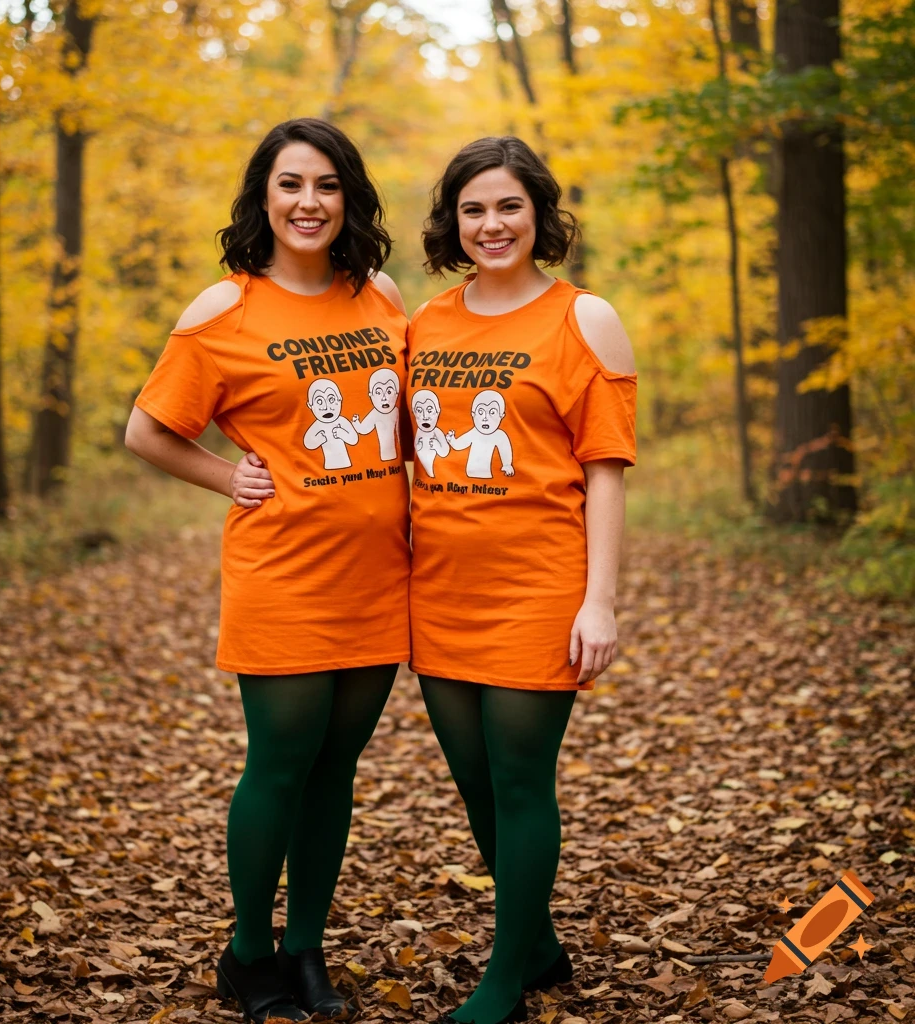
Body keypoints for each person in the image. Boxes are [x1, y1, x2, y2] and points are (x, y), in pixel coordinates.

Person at [124, 118, 410, 1024]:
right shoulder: (224, 309)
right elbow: (147, 430)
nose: (309, 203)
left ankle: (306, 950)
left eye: (327, 185)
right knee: (281, 764)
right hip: (284, 572)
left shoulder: (379, 294)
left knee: (336, 769)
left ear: (349, 197)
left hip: (380, 574)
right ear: (263, 197)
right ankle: (248, 954)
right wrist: (226, 475)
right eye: (290, 184)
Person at [407, 136, 637, 1024]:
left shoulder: (585, 319)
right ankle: (536, 943)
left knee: (519, 781)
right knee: (474, 783)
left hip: (538, 586)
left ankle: (505, 981)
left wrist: (599, 600)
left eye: (509, 205)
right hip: (439, 588)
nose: (491, 224)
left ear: (539, 212)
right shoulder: (427, 323)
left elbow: (605, 470)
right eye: (473, 209)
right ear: (453, 221)